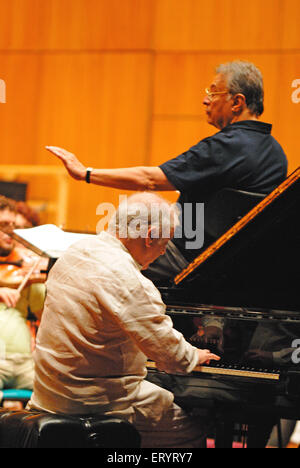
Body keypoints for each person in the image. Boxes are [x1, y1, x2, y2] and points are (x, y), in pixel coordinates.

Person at [46, 60, 288, 283]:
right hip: (233, 267)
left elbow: (149, 179)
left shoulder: (225, 146)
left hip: (186, 257)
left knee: (75, 262)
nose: (205, 100)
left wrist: (85, 173)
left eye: (213, 93)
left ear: (237, 102)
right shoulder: (278, 155)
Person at [27, 192, 220, 448]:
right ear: (150, 236)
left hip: (48, 392)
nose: (163, 252)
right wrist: (195, 355)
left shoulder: (74, 253)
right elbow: (171, 356)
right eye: (165, 243)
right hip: (94, 403)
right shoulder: (130, 280)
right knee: (191, 433)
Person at [0, 195, 45, 398]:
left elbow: (44, 315)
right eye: (3, 225)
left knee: (58, 395)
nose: (10, 232)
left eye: (13, 225)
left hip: (25, 362)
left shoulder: (25, 267)